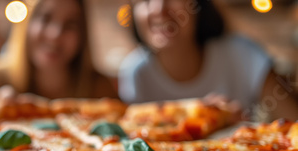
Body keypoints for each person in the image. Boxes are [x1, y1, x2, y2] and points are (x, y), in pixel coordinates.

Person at [119, 0, 298, 121]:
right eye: (145, 0)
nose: (159, 9)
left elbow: (293, 122)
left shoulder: (241, 54)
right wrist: (205, 116)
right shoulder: (135, 72)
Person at [0, 0, 117, 110]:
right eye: (45, 18)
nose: (55, 34)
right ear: (27, 25)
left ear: (82, 36)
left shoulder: (99, 86)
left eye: (70, 25)